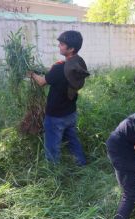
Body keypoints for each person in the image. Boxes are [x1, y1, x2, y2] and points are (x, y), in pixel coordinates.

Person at [28, 30, 87, 166]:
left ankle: (53, 172)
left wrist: (32, 74)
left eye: (62, 44)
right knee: (72, 140)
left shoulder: (60, 69)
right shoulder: (78, 62)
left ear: (71, 48)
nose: (59, 46)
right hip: (70, 111)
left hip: (55, 116)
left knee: (52, 147)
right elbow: (56, 75)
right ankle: (81, 163)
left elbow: (42, 82)